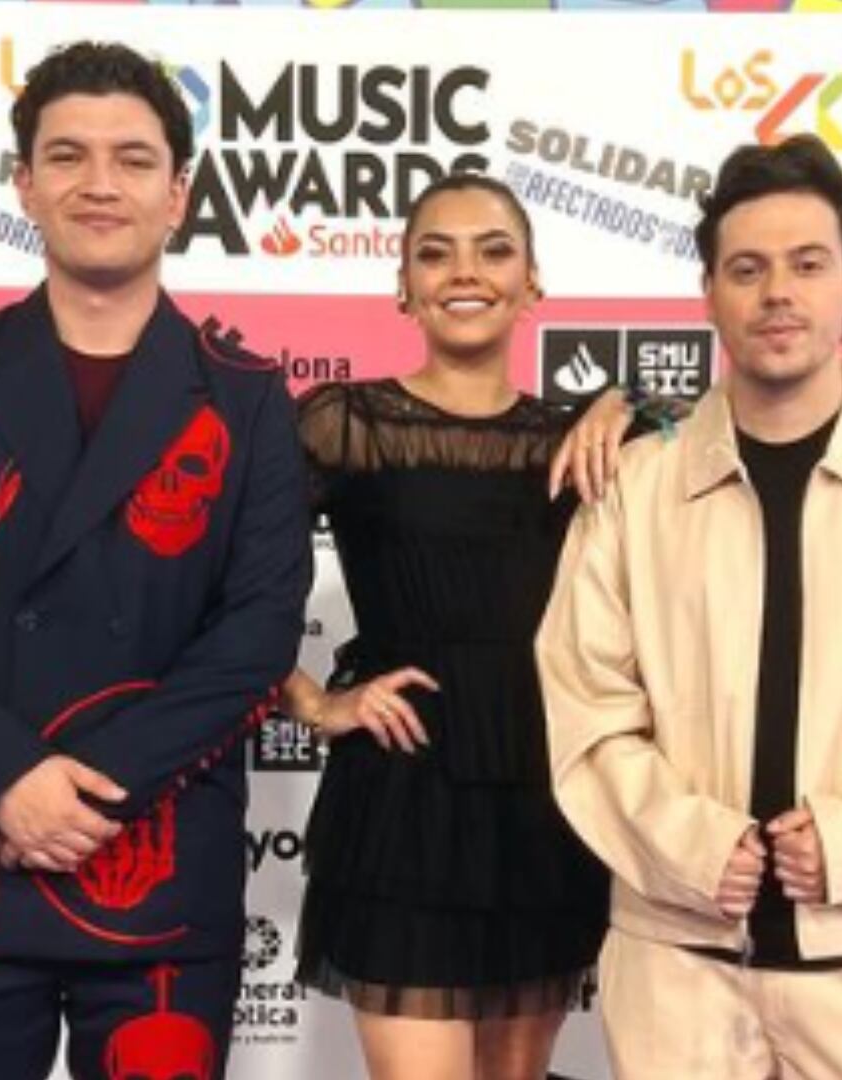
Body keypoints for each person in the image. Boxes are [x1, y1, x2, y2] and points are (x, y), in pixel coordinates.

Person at [534, 134, 842, 1079]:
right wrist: (693, 846)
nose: (778, 292)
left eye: (807, 265)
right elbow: (585, 705)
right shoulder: (634, 490)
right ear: (709, 294)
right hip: (679, 966)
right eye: (748, 269)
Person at [0, 41, 311, 1080]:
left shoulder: (246, 399)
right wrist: (8, 781)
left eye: (133, 159)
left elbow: (256, 637)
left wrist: (81, 801)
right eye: (68, 155)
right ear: (24, 183)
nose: (100, 183)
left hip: (158, 871)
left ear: (178, 194)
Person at [283, 174, 629, 1080]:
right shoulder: (347, 422)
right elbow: (225, 579)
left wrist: (630, 399)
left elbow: (727, 422)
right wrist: (314, 702)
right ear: (403, 286)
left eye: (493, 250)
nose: (465, 272)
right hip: (405, 791)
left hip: (542, 795)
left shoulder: (578, 439)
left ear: (532, 282)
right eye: (435, 254)